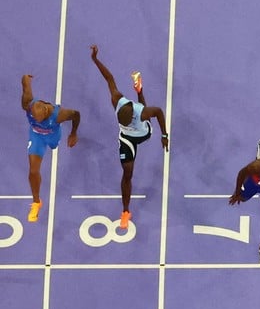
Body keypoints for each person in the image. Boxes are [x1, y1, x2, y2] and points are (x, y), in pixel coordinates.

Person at [90, 45, 168, 229]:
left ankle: (139, 90)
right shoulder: (117, 101)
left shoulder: (139, 112)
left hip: (144, 133)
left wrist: (164, 135)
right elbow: (108, 78)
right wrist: (95, 60)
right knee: (127, 173)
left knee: (146, 110)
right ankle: (126, 211)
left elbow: (159, 112)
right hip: (127, 139)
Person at [21, 74, 80, 222]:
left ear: (47, 112)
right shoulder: (27, 103)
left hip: (53, 135)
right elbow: (25, 84)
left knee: (54, 147)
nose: (37, 120)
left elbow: (76, 115)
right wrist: (26, 78)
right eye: (35, 118)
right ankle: (36, 202)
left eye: (40, 119)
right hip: (36, 137)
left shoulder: (59, 114)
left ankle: (54, 142)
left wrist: (73, 133)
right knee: (33, 171)